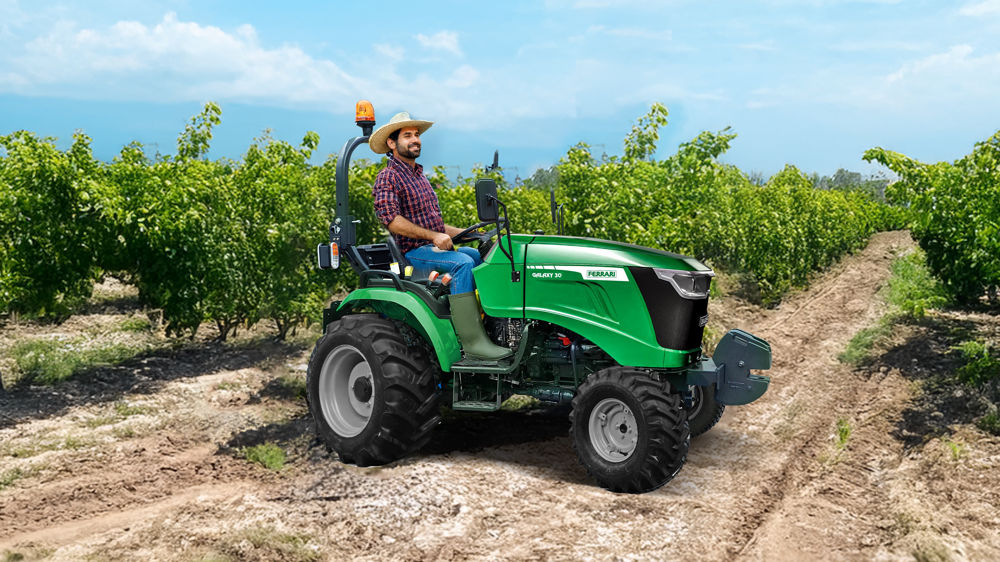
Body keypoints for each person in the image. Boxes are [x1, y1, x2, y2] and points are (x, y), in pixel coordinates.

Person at [370, 112, 511, 361]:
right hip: (414, 253)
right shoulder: (388, 177)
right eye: (407, 136)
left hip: (432, 247)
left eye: (417, 135)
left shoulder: (419, 177)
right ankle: (471, 341)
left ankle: (494, 328)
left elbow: (437, 226)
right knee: (462, 264)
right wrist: (434, 236)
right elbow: (392, 220)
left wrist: (475, 235)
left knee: (480, 257)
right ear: (392, 144)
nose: (415, 140)